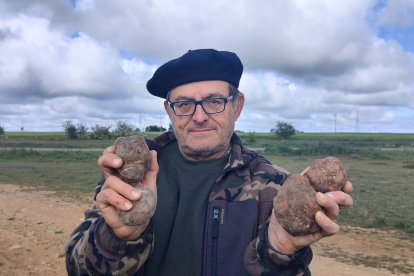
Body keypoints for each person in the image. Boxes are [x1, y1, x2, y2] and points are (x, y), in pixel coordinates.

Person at [65, 49, 353, 275]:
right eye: (184, 104)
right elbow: (78, 270)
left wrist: (279, 252)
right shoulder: (130, 175)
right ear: (169, 110)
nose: (199, 116)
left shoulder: (274, 185)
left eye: (214, 101)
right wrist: (118, 237)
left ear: (236, 106)